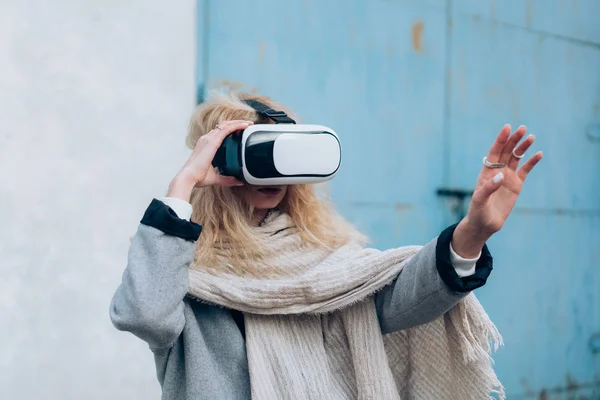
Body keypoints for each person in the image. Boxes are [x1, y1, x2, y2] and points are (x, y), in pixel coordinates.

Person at [110, 91, 542, 400]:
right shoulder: (178, 263)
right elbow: (144, 316)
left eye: (284, 154)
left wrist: (472, 232)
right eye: (257, 155)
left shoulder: (326, 261)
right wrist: (183, 184)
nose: (274, 174)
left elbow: (402, 302)